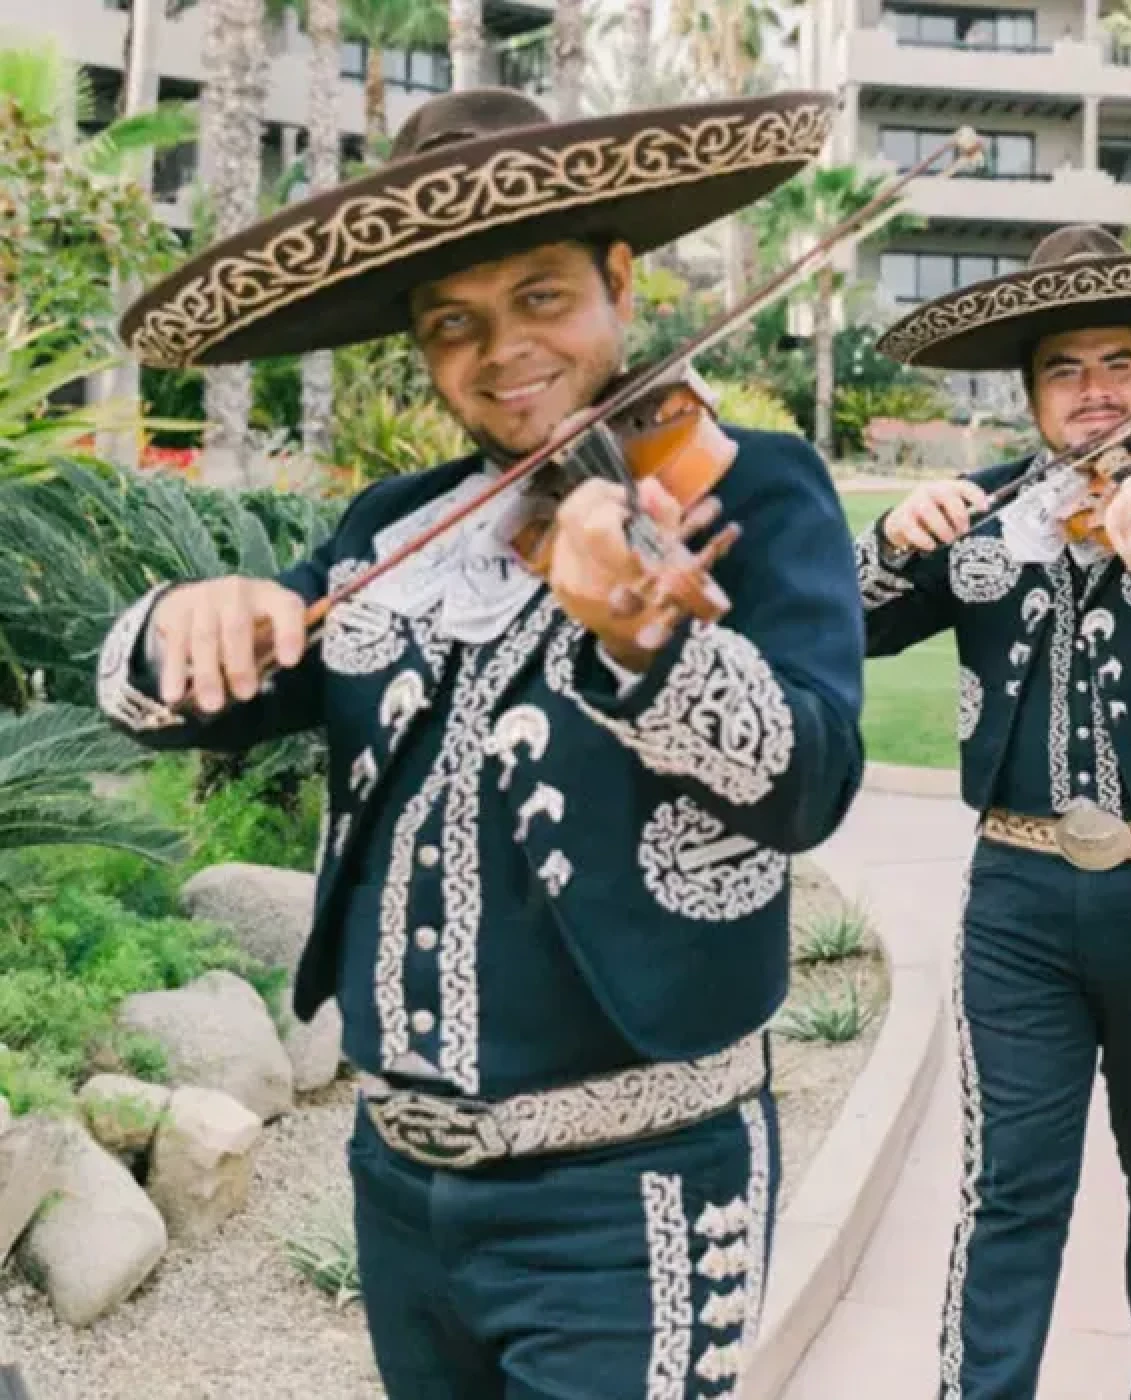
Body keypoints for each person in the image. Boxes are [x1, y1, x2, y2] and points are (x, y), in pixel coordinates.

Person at [101, 88, 864, 1400]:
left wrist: (653, 648)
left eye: (541, 297)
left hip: (632, 1192)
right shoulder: (393, 529)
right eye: (454, 322)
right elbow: (187, 695)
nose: (503, 350)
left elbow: (810, 776)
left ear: (621, 283)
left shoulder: (750, 488)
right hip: (399, 1191)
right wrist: (185, 616)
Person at [857, 224, 1131, 1399]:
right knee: (1011, 1180)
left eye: (1118, 363)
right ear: (1032, 393)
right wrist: (893, 541)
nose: (1095, 390)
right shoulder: (990, 506)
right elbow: (850, 624)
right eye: (1066, 369)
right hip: (1016, 889)